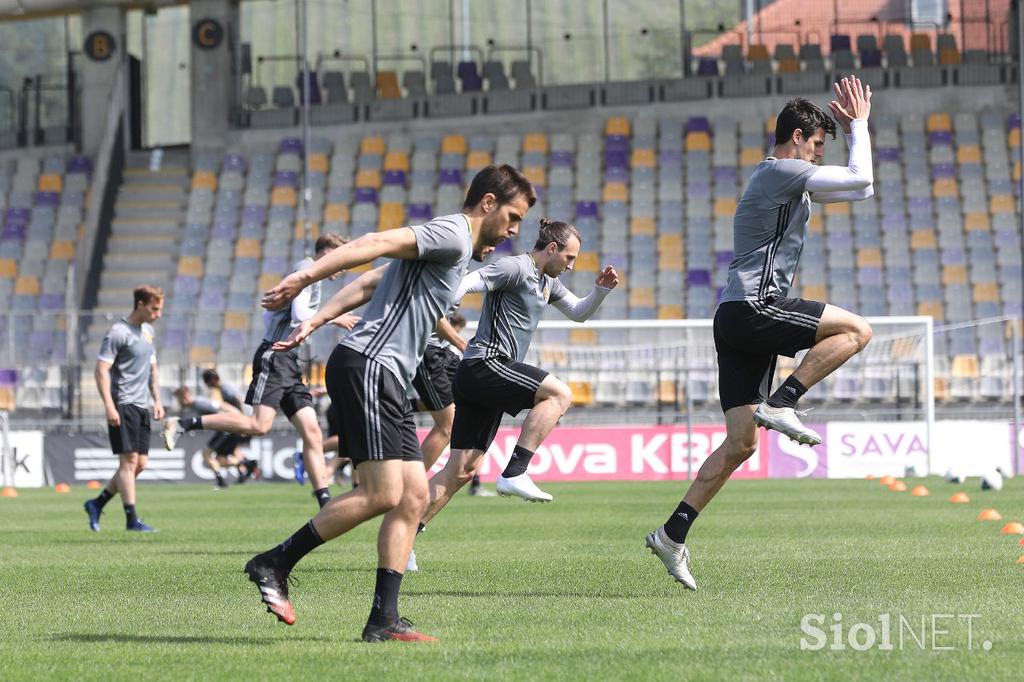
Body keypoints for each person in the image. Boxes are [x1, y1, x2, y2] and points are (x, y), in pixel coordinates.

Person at [245, 164, 534, 643]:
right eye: (513, 216)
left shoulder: (455, 251)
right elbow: (374, 241)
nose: (514, 231)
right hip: (371, 365)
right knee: (381, 494)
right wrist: (306, 277)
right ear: (488, 203)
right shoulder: (453, 233)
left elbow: (368, 283)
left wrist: (316, 319)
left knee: (414, 496)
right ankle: (273, 563)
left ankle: (383, 620)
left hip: (386, 373)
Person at [646, 77, 875, 590]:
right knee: (858, 331)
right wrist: (858, 123)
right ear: (796, 137)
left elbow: (863, 188)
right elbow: (861, 180)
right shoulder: (783, 172)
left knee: (741, 444)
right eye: (817, 144)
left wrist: (851, 136)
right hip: (755, 307)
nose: (818, 156)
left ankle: (671, 533)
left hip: (734, 316)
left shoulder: (787, 180)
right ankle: (785, 399)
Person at [418, 218, 618, 537]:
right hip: (485, 363)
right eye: (569, 258)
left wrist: (600, 292)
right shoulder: (516, 268)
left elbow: (579, 313)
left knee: (462, 470)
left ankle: (403, 534)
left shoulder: (547, 281)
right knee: (559, 394)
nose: (571, 266)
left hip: (484, 377)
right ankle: (515, 471)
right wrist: (445, 303)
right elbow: (472, 280)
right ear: (552, 248)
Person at [162, 234, 352, 509]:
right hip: (275, 356)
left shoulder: (309, 275)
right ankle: (181, 424)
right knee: (258, 426)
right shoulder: (306, 271)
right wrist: (335, 316)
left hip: (289, 361)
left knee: (313, 433)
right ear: (329, 252)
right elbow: (300, 314)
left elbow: (272, 314)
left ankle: (325, 502)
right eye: (342, 259)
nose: (344, 266)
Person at [83, 285, 166, 533]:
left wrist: (158, 400)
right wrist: (109, 405)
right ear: (140, 304)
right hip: (123, 403)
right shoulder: (118, 332)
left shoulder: (148, 332)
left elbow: (153, 369)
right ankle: (131, 520)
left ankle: (96, 503)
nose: (158, 314)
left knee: (139, 464)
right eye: (154, 308)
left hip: (142, 405)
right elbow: (101, 370)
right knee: (129, 463)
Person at [172, 385, 258, 488]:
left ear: (185, 396)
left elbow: (222, 405)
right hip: (226, 428)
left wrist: (240, 420)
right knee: (222, 459)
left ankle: (222, 481)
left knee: (207, 454)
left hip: (226, 429)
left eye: (179, 399)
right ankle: (247, 465)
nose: (179, 402)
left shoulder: (199, 403)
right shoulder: (196, 403)